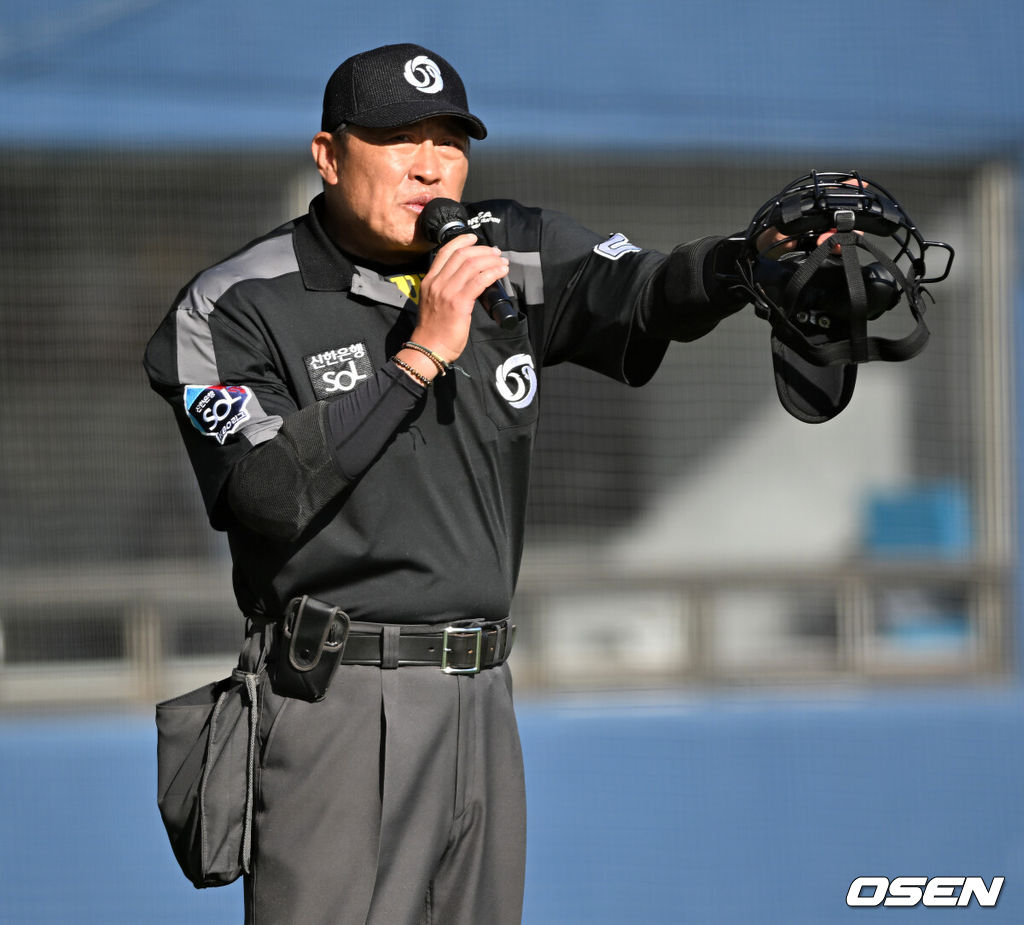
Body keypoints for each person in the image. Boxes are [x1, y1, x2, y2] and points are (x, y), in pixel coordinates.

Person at [145, 41, 774, 925]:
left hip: (481, 693)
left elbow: (644, 287)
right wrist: (423, 352)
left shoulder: (504, 250)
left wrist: (748, 262)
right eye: (399, 139)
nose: (431, 164)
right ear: (328, 156)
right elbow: (265, 489)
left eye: (450, 139)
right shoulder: (235, 303)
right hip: (339, 699)